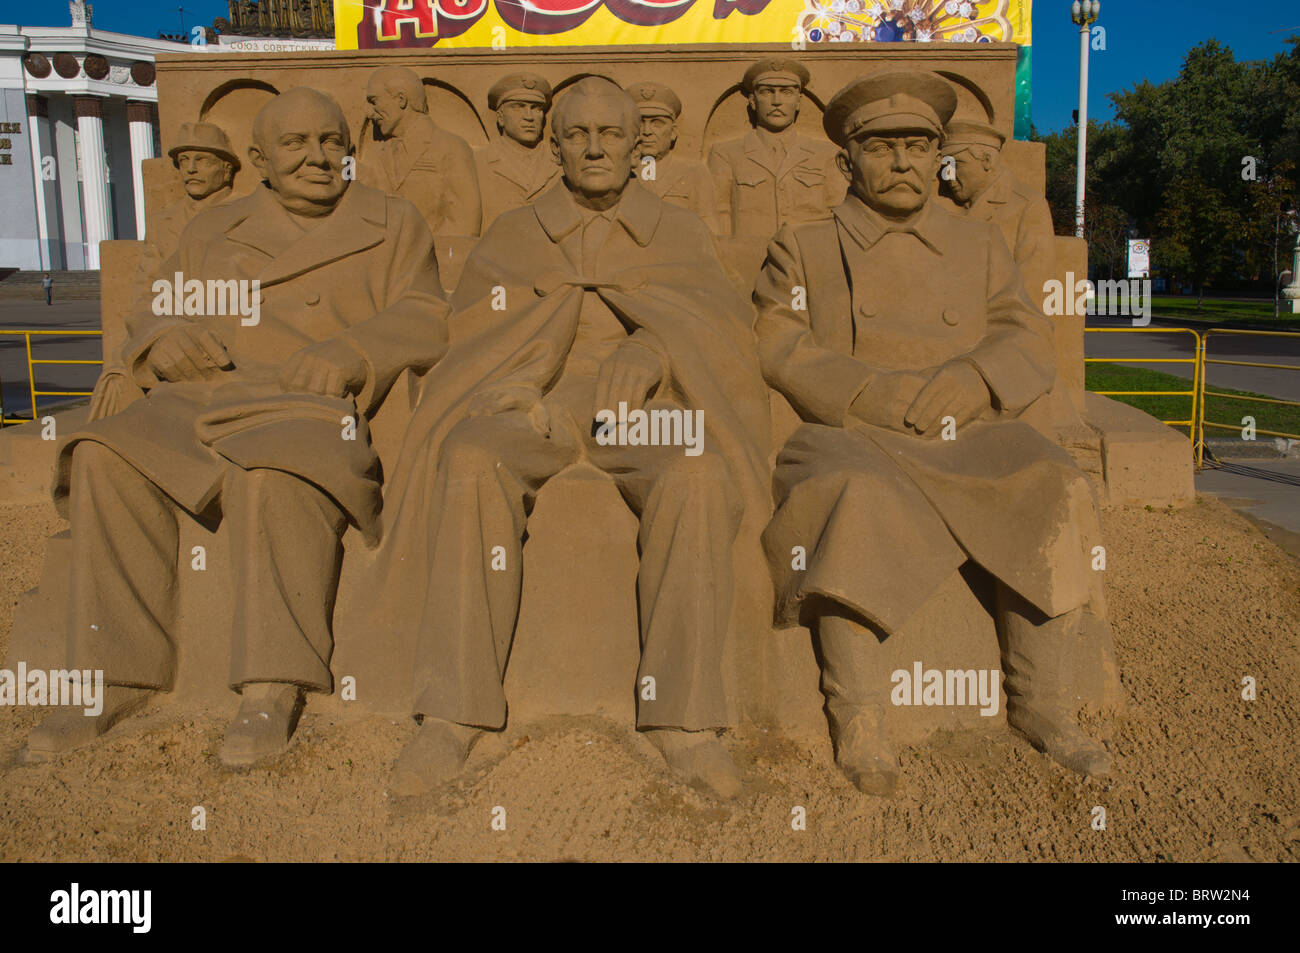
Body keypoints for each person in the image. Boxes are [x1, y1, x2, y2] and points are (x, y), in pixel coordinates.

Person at [25, 88, 449, 767]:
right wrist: (160, 340)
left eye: (331, 142)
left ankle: (271, 684)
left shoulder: (391, 221)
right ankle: (116, 672)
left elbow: (428, 313)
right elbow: (156, 306)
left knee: (272, 471)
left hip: (310, 404)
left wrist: (355, 351)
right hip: (207, 391)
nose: (318, 157)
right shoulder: (212, 229)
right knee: (105, 454)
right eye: (297, 144)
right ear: (257, 159)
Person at [377, 78, 771, 799]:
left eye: (611, 134)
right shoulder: (515, 232)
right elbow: (468, 332)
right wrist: (520, 380)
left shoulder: (680, 231)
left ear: (637, 145)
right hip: (537, 406)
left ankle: (685, 720)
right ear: (554, 146)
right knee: (469, 455)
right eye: (578, 134)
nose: (595, 147)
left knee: (699, 470)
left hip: (649, 410)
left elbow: (725, 333)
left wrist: (655, 349)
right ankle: (452, 713)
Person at [754, 70, 1113, 797]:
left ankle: (1043, 701)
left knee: (1052, 483)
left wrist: (979, 377)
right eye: (883, 148)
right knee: (857, 494)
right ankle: (859, 717)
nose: (903, 162)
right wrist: (866, 391)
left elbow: (1026, 333)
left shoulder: (977, 243)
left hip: (966, 427)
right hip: (849, 428)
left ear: (938, 155)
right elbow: (777, 338)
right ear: (847, 161)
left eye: (919, 146)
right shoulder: (806, 243)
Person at [707, 59, 845, 241]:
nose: (777, 101)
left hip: (811, 259)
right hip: (749, 260)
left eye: (786, 92)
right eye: (767, 92)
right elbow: (718, 213)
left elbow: (840, 211)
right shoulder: (726, 154)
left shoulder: (826, 154)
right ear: (753, 101)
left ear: (798, 102)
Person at [358, 65, 481, 237]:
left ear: (401, 100)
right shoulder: (374, 154)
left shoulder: (450, 147)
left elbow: (464, 225)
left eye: (374, 102)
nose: (369, 113)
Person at [624, 80, 717, 232]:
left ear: (673, 132)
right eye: (640, 123)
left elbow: (711, 230)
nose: (647, 131)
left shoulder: (694, 172)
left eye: (657, 123)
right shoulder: (620, 172)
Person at [474, 72, 561, 229]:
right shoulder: (478, 162)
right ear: (500, 117)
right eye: (518, 107)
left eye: (536, 108)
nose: (529, 117)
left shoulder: (559, 161)